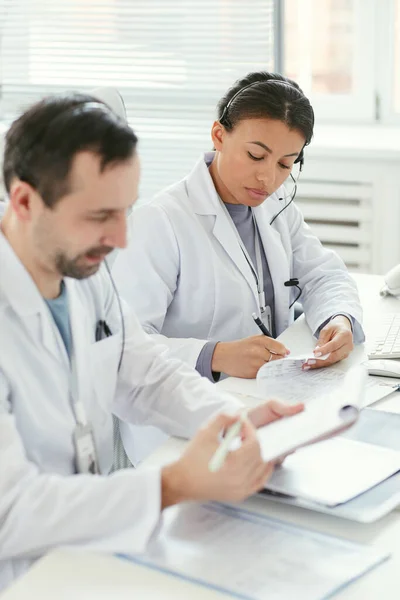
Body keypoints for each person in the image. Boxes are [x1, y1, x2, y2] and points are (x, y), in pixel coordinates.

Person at [0, 93, 303, 591]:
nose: (121, 238)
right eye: (100, 216)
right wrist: (173, 483)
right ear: (26, 202)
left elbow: (145, 374)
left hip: (88, 547)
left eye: (126, 211)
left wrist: (232, 421)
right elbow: (10, 512)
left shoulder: (84, 273)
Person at [112, 71, 364, 384]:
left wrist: (338, 317)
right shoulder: (160, 222)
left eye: (285, 164)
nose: (268, 178)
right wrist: (215, 355)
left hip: (263, 394)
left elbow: (324, 275)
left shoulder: (276, 206)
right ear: (218, 135)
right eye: (255, 155)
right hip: (185, 413)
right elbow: (121, 345)